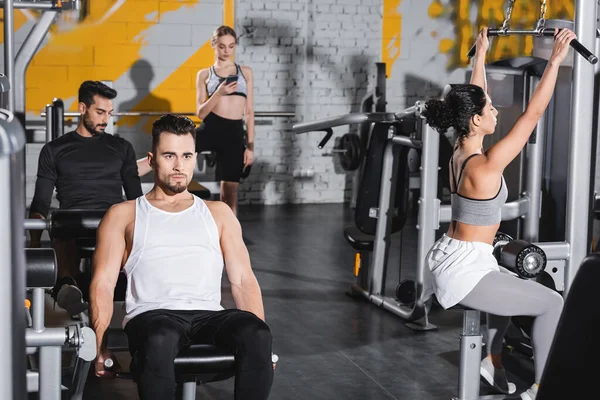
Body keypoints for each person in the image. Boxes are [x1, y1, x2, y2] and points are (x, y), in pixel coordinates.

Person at [423, 27, 575, 400]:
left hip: (454, 255)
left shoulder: (459, 147)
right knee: (552, 303)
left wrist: (481, 55)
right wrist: (555, 60)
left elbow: (476, 97)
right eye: (489, 109)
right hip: (464, 270)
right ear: (475, 120)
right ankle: (543, 388)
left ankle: (492, 359)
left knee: (507, 275)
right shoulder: (486, 166)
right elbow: (534, 113)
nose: (495, 110)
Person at [89, 114, 273, 400]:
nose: (179, 165)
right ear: (151, 160)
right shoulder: (124, 214)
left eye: (186, 156)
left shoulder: (218, 213)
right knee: (160, 338)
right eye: (169, 155)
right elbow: (103, 282)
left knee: (257, 333)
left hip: (209, 316)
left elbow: (242, 280)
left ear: (195, 158)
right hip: (153, 317)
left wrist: (262, 346)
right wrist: (99, 347)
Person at [29, 80, 143, 316]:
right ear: (82, 108)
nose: (105, 120)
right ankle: (68, 284)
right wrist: (35, 246)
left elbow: (136, 198)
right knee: (61, 223)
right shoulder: (55, 150)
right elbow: (41, 201)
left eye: (109, 113)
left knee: (121, 223)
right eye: (99, 112)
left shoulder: (122, 148)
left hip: (112, 220)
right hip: (72, 221)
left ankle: (115, 286)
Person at [137, 25, 255, 217]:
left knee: (229, 196)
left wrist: (250, 146)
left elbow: (249, 112)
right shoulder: (205, 74)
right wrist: (219, 93)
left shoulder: (246, 73)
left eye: (231, 46)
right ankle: (129, 170)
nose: (227, 51)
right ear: (214, 45)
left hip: (234, 132)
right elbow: (201, 113)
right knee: (171, 151)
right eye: (222, 46)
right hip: (211, 127)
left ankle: (229, 242)